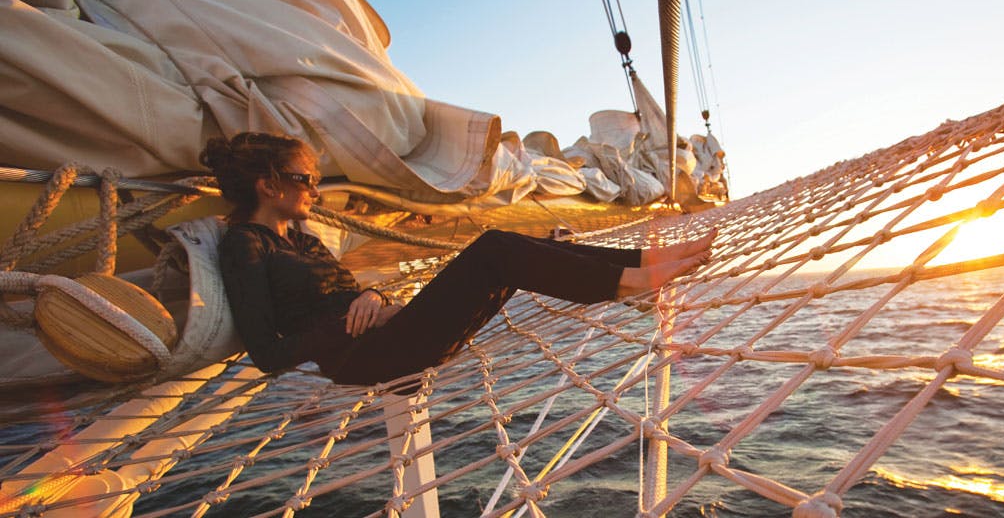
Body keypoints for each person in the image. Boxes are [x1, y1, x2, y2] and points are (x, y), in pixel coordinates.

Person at [203, 132, 714, 385]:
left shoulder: (303, 240)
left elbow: (348, 290)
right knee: (495, 248)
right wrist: (354, 324)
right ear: (267, 186)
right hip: (366, 357)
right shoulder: (245, 245)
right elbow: (267, 355)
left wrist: (373, 295)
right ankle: (632, 281)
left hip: (392, 330)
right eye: (304, 179)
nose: (315, 188)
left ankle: (640, 261)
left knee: (515, 249)